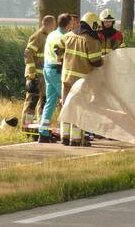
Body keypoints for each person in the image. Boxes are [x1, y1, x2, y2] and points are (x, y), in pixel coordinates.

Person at [58, 11, 104, 146]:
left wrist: (63, 59)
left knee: (66, 106)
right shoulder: (92, 40)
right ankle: (76, 139)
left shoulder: (68, 35)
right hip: (81, 80)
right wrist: (104, 62)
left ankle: (64, 137)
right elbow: (95, 60)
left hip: (66, 77)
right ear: (93, 25)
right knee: (79, 108)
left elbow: (57, 49)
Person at [38, 13, 73, 143]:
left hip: (47, 69)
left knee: (51, 101)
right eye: (72, 23)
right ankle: (68, 133)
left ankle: (43, 131)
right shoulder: (63, 36)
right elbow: (61, 54)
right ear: (68, 24)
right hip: (57, 70)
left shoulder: (52, 34)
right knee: (68, 100)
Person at [22, 15, 56, 131]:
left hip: (44, 75)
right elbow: (28, 53)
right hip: (35, 76)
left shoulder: (49, 37)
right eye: (53, 25)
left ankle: (39, 128)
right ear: (48, 24)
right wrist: (31, 72)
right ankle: (27, 128)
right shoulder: (38, 36)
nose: (54, 27)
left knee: (43, 102)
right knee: (32, 102)